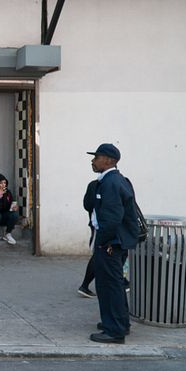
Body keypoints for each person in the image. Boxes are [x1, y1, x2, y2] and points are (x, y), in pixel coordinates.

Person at [86, 143, 139, 344]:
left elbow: (112, 217)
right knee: (114, 284)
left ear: (108, 160)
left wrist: (104, 242)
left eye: (96, 157)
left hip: (110, 242)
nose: (93, 160)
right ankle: (119, 323)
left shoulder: (110, 182)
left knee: (109, 285)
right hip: (115, 240)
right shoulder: (114, 180)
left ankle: (114, 330)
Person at [77, 179, 99, 298]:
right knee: (98, 254)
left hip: (98, 224)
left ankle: (123, 280)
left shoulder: (94, 184)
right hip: (100, 226)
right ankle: (85, 285)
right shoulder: (96, 185)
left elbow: (87, 205)